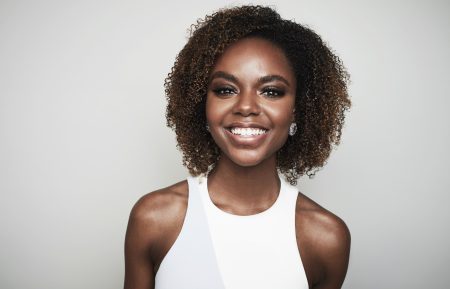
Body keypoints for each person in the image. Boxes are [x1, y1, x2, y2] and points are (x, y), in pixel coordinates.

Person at [124, 5, 351, 289]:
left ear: (297, 110)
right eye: (225, 90)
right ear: (202, 106)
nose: (245, 107)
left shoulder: (325, 238)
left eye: (271, 91)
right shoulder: (154, 218)